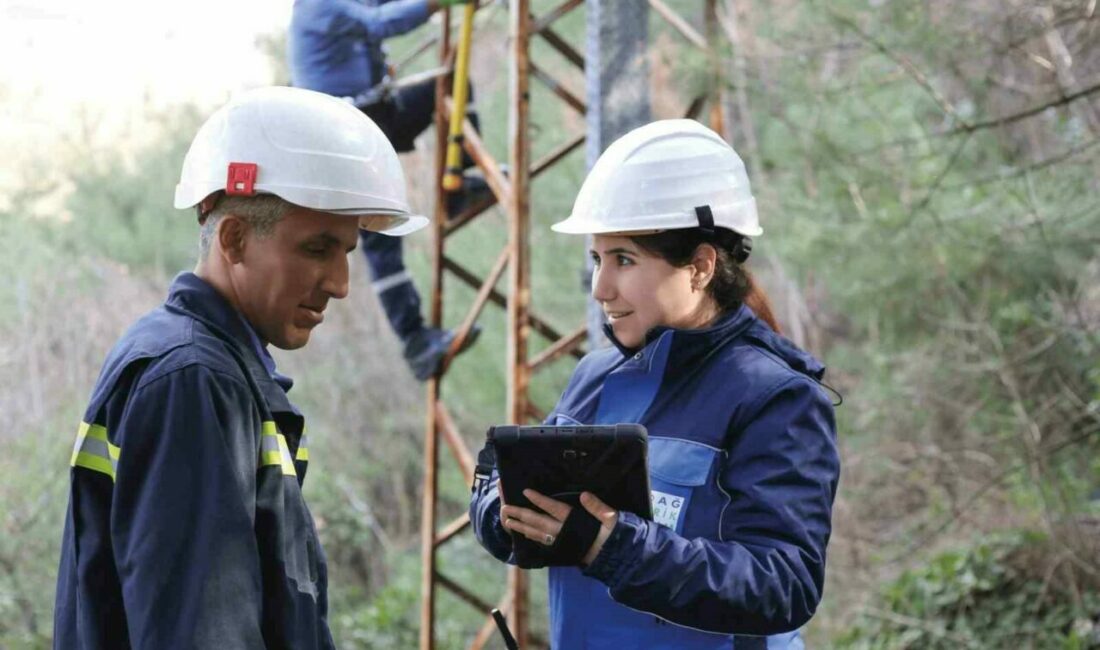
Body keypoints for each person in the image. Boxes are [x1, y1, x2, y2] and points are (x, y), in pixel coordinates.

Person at [53, 87, 420, 649]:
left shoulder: (208, 368)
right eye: (318, 248)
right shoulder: (195, 380)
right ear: (234, 238)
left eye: (347, 252)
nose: (341, 284)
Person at [470, 120, 841, 649]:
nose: (601, 287)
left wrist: (613, 546)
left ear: (700, 267)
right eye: (597, 259)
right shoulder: (593, 377)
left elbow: (783, 585)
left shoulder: (775, 398)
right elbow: (532, 521)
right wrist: (502, 510)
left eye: (624, 260)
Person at [289, 0, 487, 381]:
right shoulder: (319, 4)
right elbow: (380, 21)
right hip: (344, 132)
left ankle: (460, 185)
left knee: (445, 87)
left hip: (373, 116)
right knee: (379, 236)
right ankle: (416, 341)